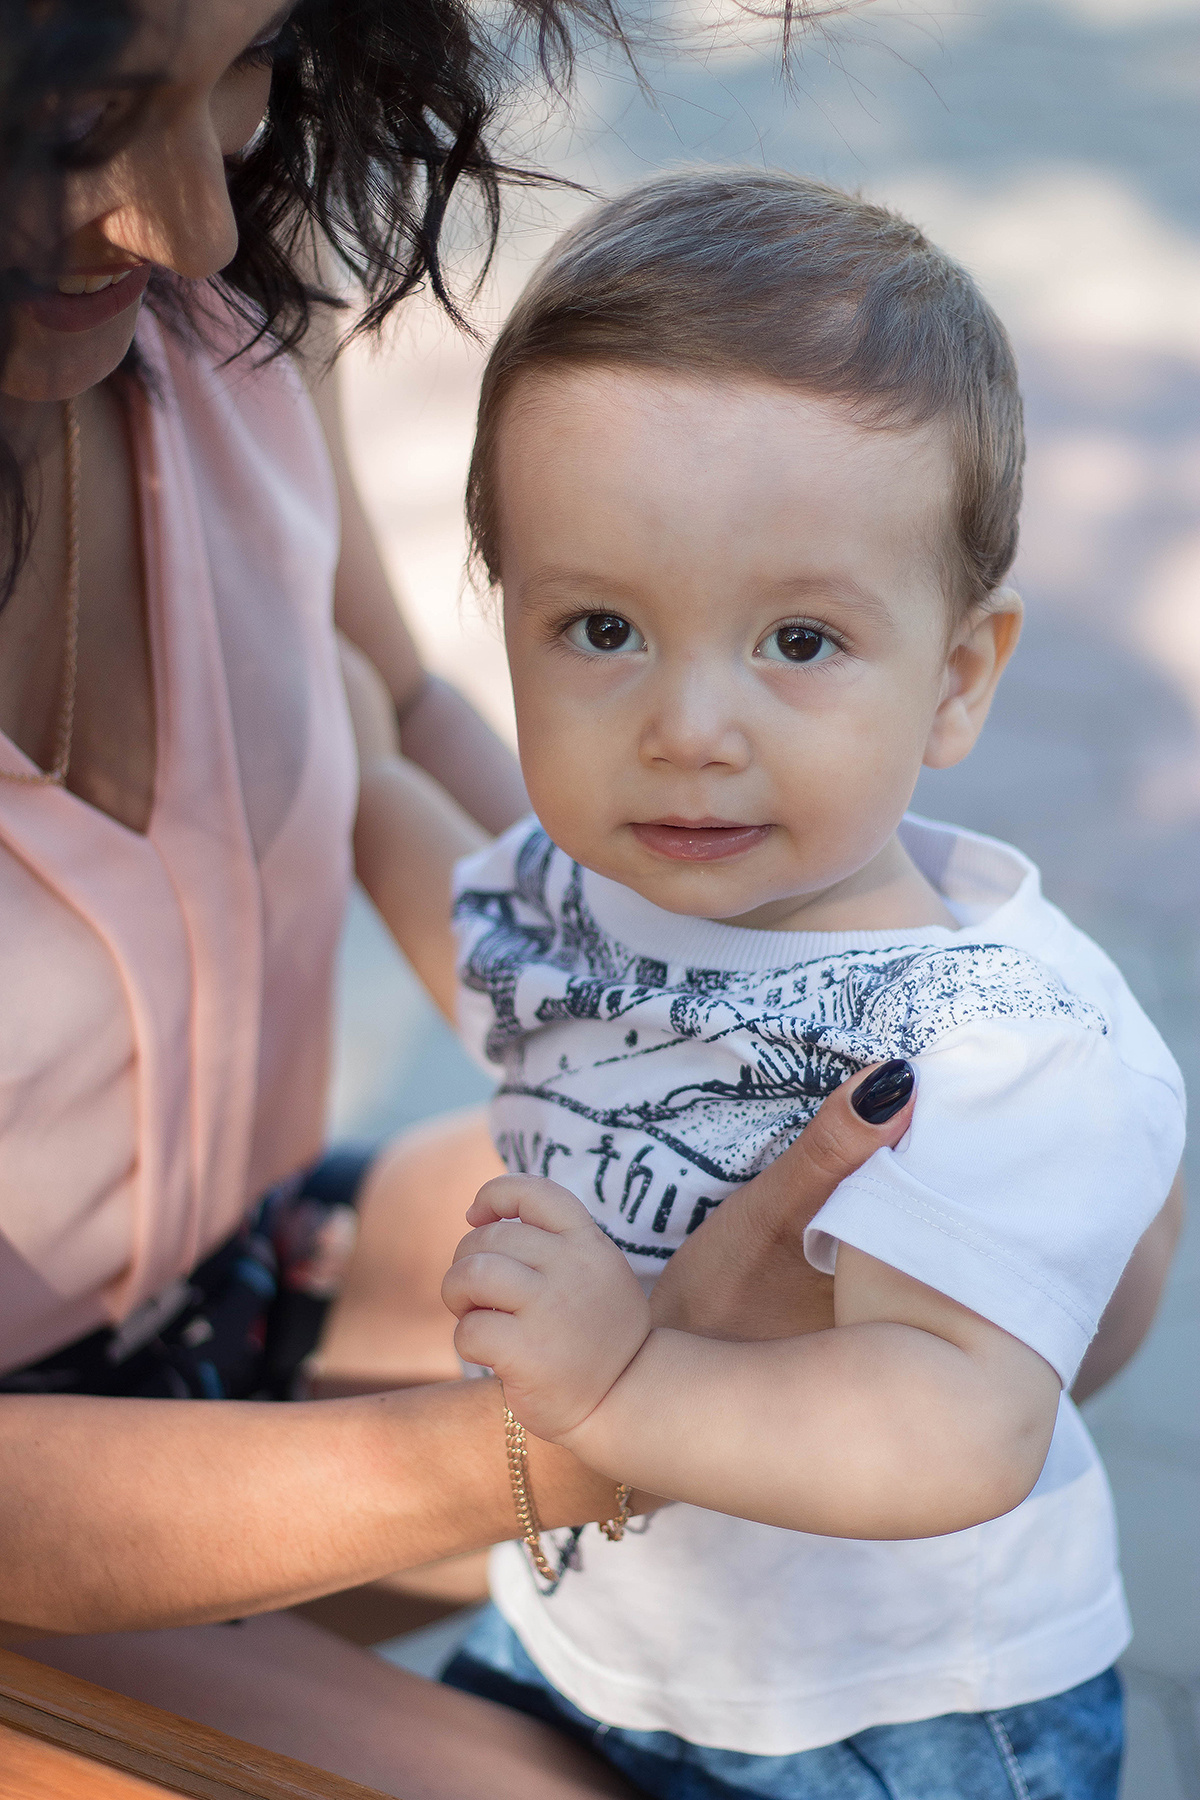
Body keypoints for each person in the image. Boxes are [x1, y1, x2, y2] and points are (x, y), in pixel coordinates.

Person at [0, 8, 932, 1796]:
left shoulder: (217, 299)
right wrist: (588, 1440)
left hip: (248, 1287)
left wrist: (797, 1031)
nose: (194, 217)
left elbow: (394, 717)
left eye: (249, 61)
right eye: (81, 123)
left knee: (952, 1268)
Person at [352, 171, 1187, 1799]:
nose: (688, 726)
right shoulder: (584, 884)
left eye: (798, 643)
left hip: (896, 1718)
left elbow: (960, 1429)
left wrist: (620, 1386)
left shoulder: (996, 1042)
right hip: (593, 1629)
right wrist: (323, 759)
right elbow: (485, 949)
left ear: (957, 678)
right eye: (600, 627)